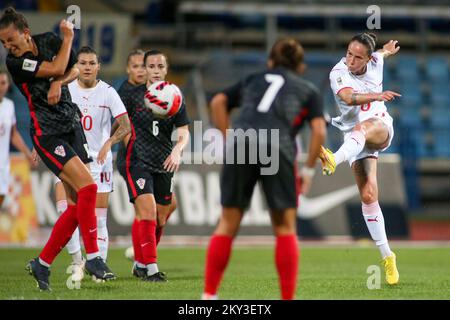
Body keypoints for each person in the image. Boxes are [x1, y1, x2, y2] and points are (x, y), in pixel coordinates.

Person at [203, 38, 327, 300]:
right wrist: (308, 171)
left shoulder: (254, 79)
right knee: (284, 228)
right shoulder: (307, 89)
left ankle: (209, 296)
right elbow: (319, 130)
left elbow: (217, 102)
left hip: (242, 144)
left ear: (270, 62)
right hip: (277, 147)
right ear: (301, 66)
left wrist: (229, 140)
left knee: (226, 224)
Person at [0, 7, 115, 291]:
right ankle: (94, 257)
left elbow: (71, 69)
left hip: (72, 126)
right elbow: (55, 67)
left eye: (11, 40)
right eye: (3, 43)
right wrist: (68, 40)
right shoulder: (16, 63)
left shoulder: (48, 41)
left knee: (78, 206)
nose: (8, 47)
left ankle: (43, 263)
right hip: (47, 133)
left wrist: (58, 82)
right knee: (89, 188)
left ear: (25, 32)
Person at [319, 33, 400, 285]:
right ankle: (388, 257)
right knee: (368, 195)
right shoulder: (338, 73)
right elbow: (347, 97)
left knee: (361, 129)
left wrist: (387, 49)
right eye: (349, 53)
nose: (350, 60)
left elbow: (381, 54)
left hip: (378, 128)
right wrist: (377, 95)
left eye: (357, 57)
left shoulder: (376, 61)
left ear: (368, 59)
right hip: (356, 143)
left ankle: (334, 159)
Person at [53, 46, 130, 281]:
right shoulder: (66, 90)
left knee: (98, 218)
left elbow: (125, 124)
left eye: (91, 63)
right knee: (67, 212)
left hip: (99, 161)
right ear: (76, 66)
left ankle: (99, 267)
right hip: (71, 159)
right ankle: (78, 262)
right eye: (82, 63)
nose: (87, 67)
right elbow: (52, 120)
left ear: (98, 66)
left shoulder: (108, 92)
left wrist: (109, 142)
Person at [117, 50, 190, 282]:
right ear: (145, 69)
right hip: (137, 161)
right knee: (147, 211)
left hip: (164, 163)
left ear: (166, 70)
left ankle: (140, 263)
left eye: (160, 66)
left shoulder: (175, 96)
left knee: (160, 217)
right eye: (151, 66)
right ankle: (151, 269)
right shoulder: (131, 95)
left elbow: (184, 132)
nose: (156, 70)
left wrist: (178, 150)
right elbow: (121, 126)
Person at [0, 70, 36, 208]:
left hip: (3, 164)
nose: (0, 86)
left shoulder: (9, 105)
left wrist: (27, 154)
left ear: (8, 85)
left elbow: (13, 134)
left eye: (3, 83)